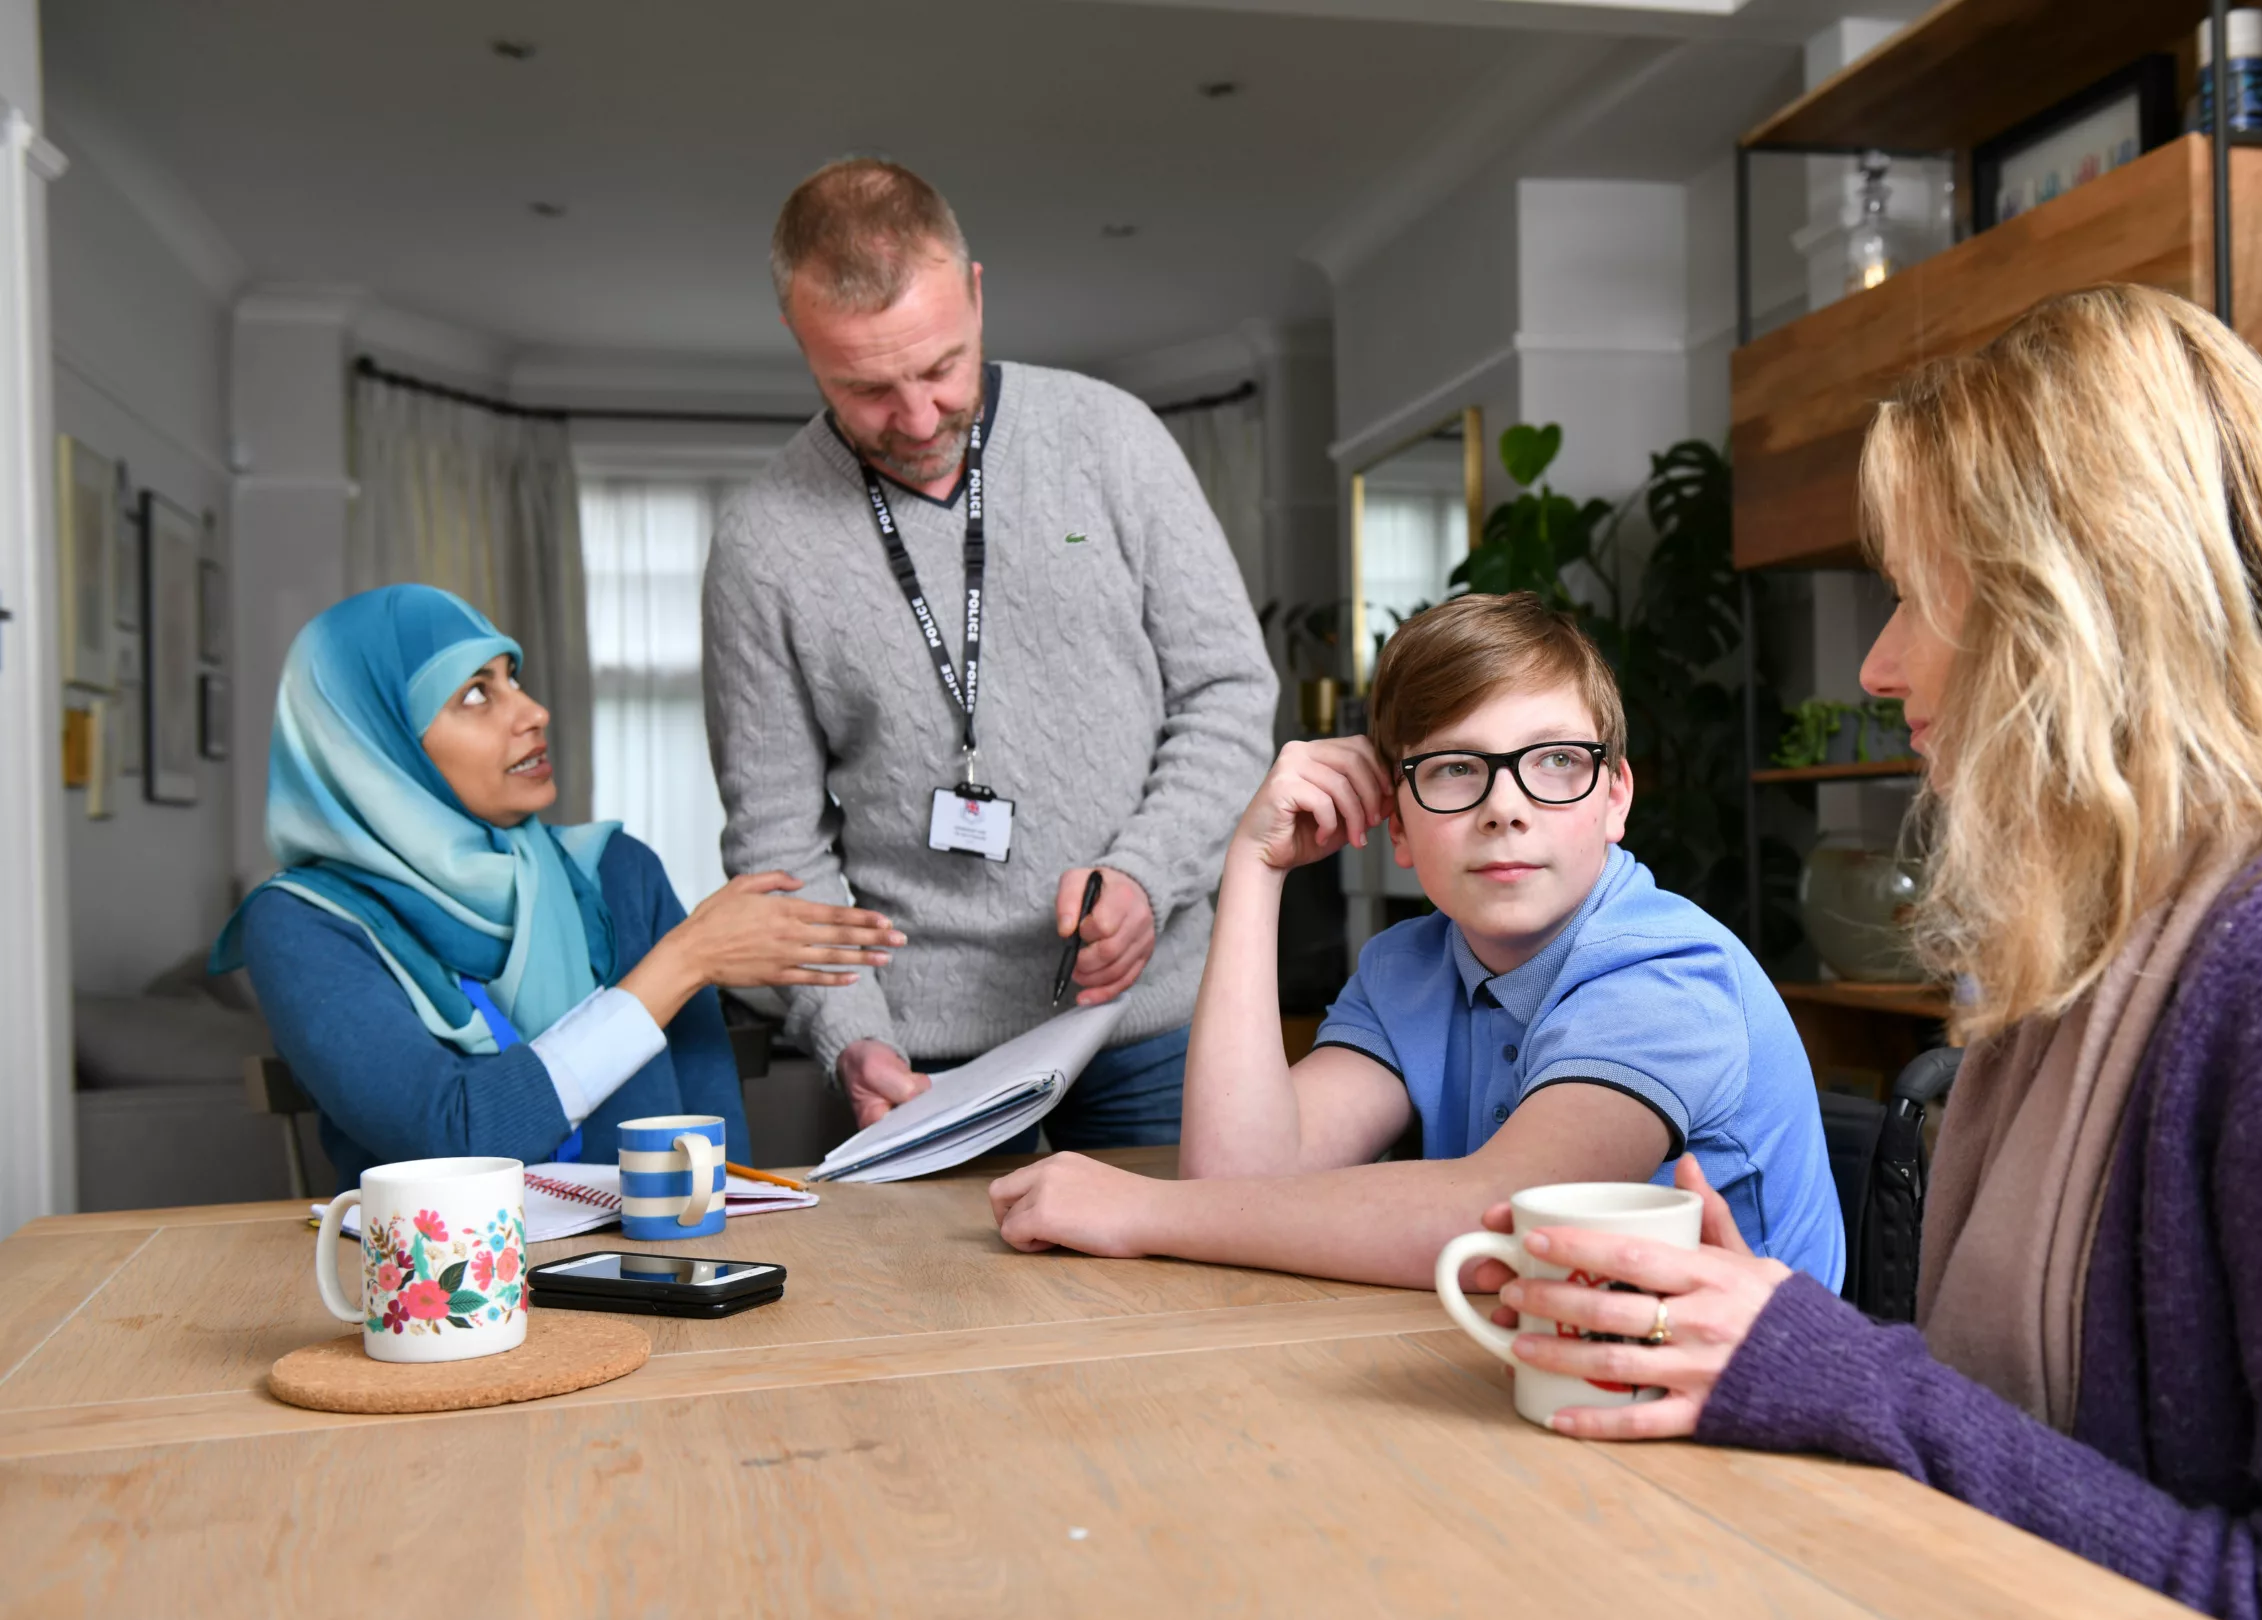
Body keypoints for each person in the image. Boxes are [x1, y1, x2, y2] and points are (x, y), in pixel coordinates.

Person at [1470, 287, 2262, 1620]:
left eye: (1916, 595)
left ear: (2072, 610)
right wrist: (1765, 1331)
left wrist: (1833, 1376)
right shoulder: (2113, 942)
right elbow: (2049, 1430)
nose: (1878, 664)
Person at [987, 592, 1845, 1290]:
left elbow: (1505, 1212)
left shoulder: (1664, 973)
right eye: (1454, 769)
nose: (1505, 806)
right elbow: (1240, 1174)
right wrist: (1254, 866)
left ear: (1615, 797)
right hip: (1533, 1379)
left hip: (1749, 1441)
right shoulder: (1412, 965)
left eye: (1553, 761)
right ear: (1394, 826)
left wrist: (1141, 1211)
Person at [703, 158, 1274, 1146]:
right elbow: (779, 847)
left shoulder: (1110, 438)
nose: (918, 421)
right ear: (800, 339)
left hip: (1152, 1017)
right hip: (924, 1060)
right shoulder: (762, 545)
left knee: (1185, 1298)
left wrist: (1142, 875)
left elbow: (1226, 696)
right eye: (868, 389)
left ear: (975, 292)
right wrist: (849, 1035)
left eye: (940, 368)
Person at [214, 585, 899, 1189]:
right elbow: (454, 1136)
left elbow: (712, 1144)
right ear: (375, 748)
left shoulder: (618, 871)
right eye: (475, 693)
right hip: (447, 1305)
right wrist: (683, 962)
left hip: (654, 1278)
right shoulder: (304, 924)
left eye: (513, 677)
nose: (533, 710)